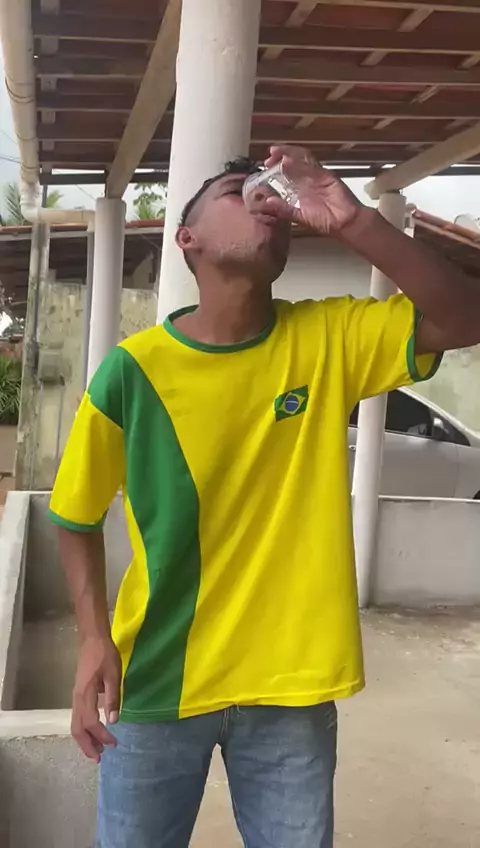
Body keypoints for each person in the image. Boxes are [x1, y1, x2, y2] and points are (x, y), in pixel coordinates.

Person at [49, 145, 480, 848]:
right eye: (234, 191)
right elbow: (74, 514)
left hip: (291, 689)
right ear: (187, 240)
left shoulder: (328, 337)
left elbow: (466, 318)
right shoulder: (133, 372)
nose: (262, 200)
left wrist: (354, 220)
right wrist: (95, 638)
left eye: (268, 190)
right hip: (155, 679)